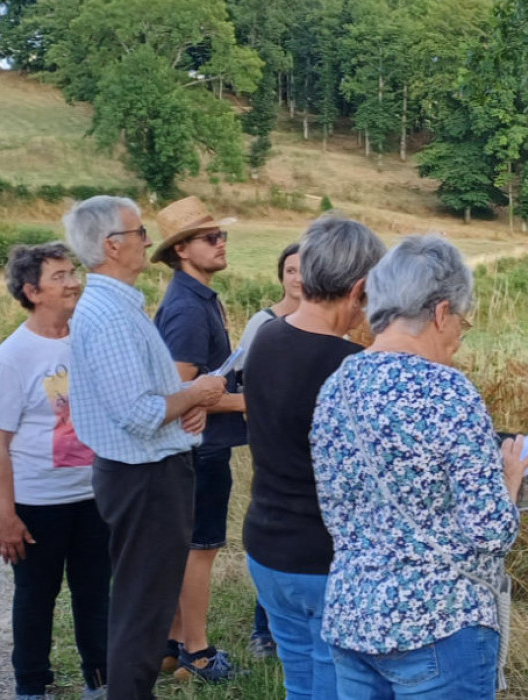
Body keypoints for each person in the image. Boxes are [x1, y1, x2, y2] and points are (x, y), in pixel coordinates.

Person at [311, 235, 528, 699]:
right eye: (462, 321)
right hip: (439, 624)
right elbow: (491, 532)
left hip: (352, 615)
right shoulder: (447, 390)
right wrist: (509, 480)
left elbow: (338, 505)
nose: (458, 335)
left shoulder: (336, 385)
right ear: (440, 312)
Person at [63, 195, 225, 700]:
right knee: (143, 603)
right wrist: (197, 393)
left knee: (145, 600)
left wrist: (186, 406)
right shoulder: (110, 317)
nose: (147, 243)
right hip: (145, 476)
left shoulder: (115, 307)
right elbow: (138, 414)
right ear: (113, 246)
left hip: (143, 471)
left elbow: (150, 399)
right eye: (139, 235)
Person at [244, 215, 383, 700]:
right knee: (333, 686)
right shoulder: (349, 368)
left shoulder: (267, 336)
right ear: (361, 287)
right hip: (321, 558)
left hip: (265, 543)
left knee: (299, 682)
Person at [0, 243, 110, 700]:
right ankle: (31, 686)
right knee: (36, 599)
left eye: (73, 273)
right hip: (36, 502)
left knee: (95, 595)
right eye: (60, 276)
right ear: (32, 291)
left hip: (91, 497)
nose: (73, 282)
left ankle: (100, 681)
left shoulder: (87, 337)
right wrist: (6, 515)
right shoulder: (14, 355)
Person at [149, 196, 247, 682]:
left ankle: (169, 646)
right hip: (199, 450)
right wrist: (254, 402)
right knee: (200, 549)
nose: (222, 242)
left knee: (185, 546)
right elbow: (178, 392)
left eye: (222, 234)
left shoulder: (195, 297)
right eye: (212, 238)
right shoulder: (188, 308)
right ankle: (199, 654)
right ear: (182, 249)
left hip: (197, 447)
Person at [236, 240, 302, 659]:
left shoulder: (332, 328)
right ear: (280, 276)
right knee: (275, 533)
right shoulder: (261, 324)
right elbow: (242, 386)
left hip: (310, 450)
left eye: (304, 270)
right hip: (273, 448)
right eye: (290, 270)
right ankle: (264, 630)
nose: (297, 278)